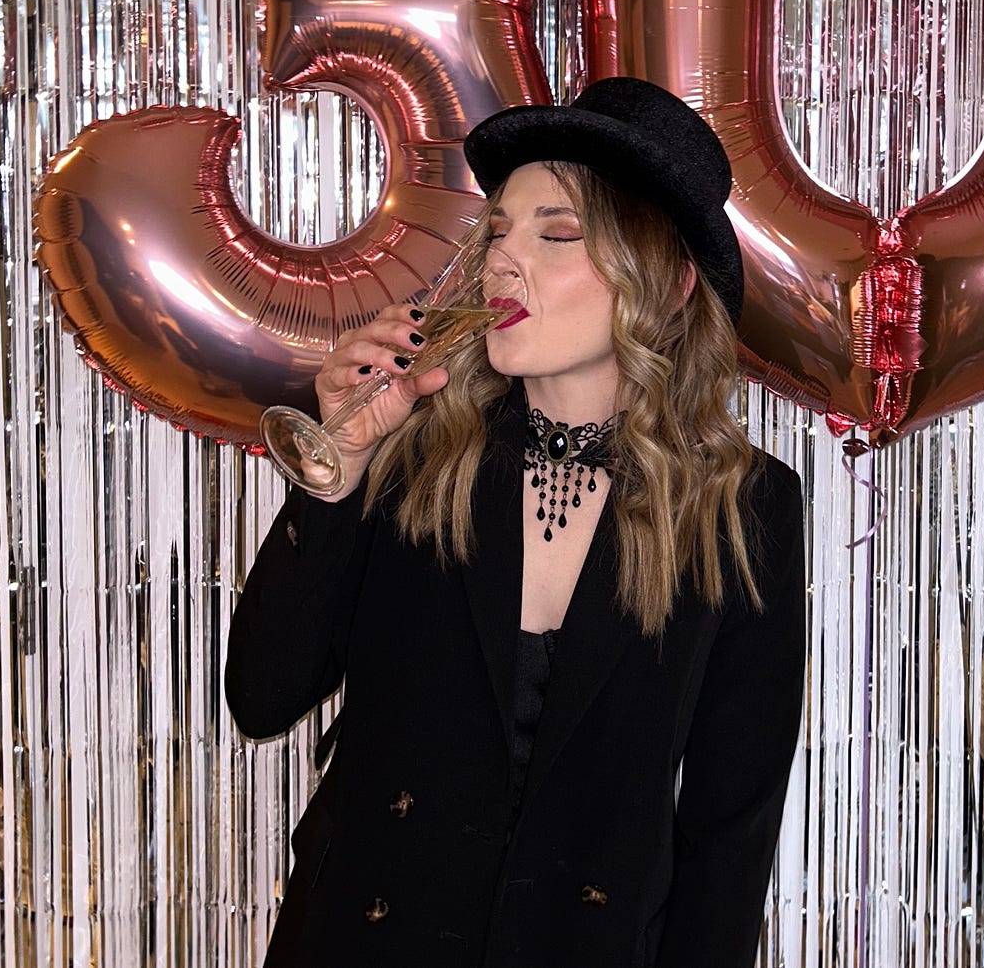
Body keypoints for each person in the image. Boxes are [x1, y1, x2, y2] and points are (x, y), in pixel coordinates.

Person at [225, 77, 807, 968]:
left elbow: (729, 837)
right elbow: (261, 698)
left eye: (558, 232)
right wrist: (335, 477)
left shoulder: (744, 507)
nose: (503, 261)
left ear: (668, 280)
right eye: (497, 230)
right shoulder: (412, 451)